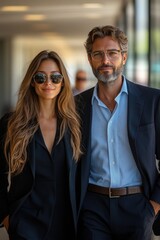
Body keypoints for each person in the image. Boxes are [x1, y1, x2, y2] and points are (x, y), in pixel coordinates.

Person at [75, 25, 160, 240]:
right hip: (93, 207)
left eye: (112, 53)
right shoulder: (76, 106)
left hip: (138, 205)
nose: (106, 60)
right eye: (98, 54)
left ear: (123, 57)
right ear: (90, 58)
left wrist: (153, 206)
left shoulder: (152, 101)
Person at [0, 50, 82, 240]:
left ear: (62, 82)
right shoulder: (11, 124)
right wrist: (6, 217)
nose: (48, 83)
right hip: (26, 225)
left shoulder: (75, 125)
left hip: (67, 224)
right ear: (31, 81)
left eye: (55, 77)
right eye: (40, 77)